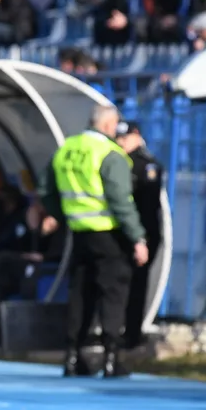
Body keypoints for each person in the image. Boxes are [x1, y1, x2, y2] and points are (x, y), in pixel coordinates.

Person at [37, 105, 148, 378]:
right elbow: (120, 200)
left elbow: (46, 190)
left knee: (80, 295)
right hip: (109, 234)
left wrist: (63, 216)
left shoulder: (66, 149)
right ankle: (111, 357)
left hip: (78, 233)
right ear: (109, 125)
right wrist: (137, 237)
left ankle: (72, 356)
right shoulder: (110, 154)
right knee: (113, 295)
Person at [115, 120, 164, 350]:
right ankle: (119, 330)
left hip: (143, 232)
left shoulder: (145, 164)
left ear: (136, 136)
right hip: (126, 231)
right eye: (118, 138)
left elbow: (147, 204)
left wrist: (140, 238)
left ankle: (131, 333)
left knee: (136, 283)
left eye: (124, 138)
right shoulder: (118, 160)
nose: (120, 142)